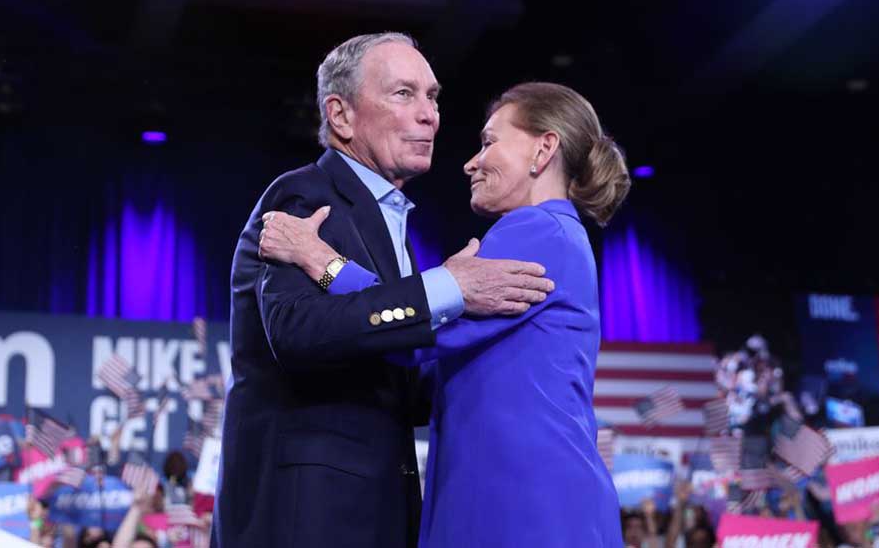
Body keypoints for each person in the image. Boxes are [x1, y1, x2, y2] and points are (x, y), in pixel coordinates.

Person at [214, 33, 557, 548]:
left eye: (433, 96)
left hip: (377, 515)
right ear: (341, 115)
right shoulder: (305, 196)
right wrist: (449, 287)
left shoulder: (387, 221)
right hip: (305, 519)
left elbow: (396, 383)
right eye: (403, 93)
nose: (429, 115)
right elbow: (295, 331)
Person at [258, 82, 630, 546]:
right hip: (525, 501)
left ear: (544, 148)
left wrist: (323, 261)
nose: (472, 162)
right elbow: (430, 356)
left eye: (489, 142)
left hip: (522, 508)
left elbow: (411, 336)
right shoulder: (558, 233)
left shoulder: (537, 229)